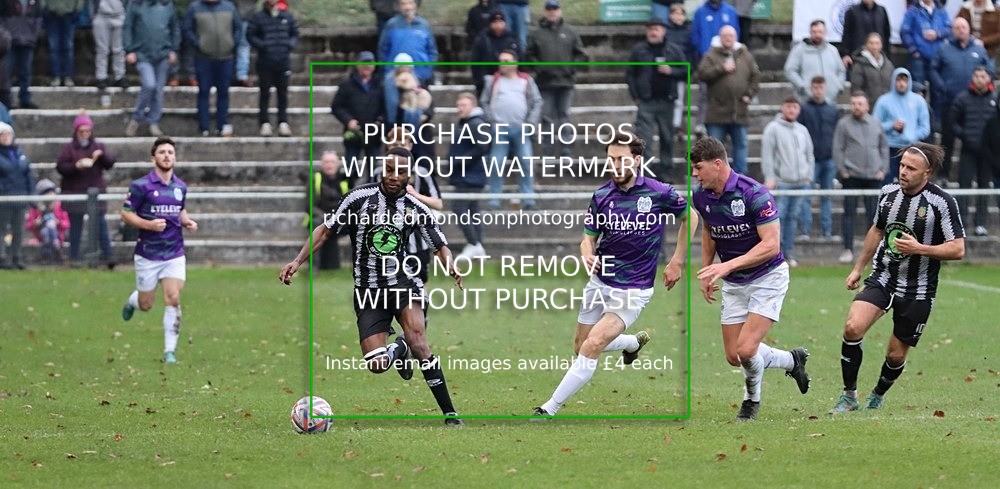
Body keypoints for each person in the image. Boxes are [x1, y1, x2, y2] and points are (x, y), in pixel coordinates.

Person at [279, 147, 465, 427]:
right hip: (368, 291)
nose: (393, 176)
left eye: (400, 172)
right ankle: (398, 350)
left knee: (419, 342)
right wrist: (297, 260)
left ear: (408, 175)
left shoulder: (415, 207)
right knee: (376, 364)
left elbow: (439, 244)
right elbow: (325, 230)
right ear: (382, 169)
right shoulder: (358, 198)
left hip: (404, 283)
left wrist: (450, 265)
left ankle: (450, 415)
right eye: (389, 170)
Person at [533, 130, 696, 417]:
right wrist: (586, 252)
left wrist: (677, 260)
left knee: (593, 345)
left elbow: (691, 216)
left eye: (621, 159)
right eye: (611, 159)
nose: (615, 165)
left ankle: (548, 408)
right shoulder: (601, 195)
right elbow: (588, 238)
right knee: (580, 345)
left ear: (637, 160)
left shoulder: (658, 192)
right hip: (600, 281)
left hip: (633, 289)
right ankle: (633, 343)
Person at [829, 143, 965, 414]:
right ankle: (849, 396)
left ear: (926, 173)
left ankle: (878, 393)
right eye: (902, 165)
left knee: (895, 354)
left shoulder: (942, 202)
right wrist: (858, 268)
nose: (903, 172)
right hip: (883, 276)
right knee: (852, 327)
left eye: (910, 168)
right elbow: (877, 231)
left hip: (919, 288)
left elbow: (958, 248)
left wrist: (921, 249)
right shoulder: (888, 193)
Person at [690, 136, 810, 421]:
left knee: (746, 349)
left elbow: (771, 245)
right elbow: (709, 231)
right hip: (734, 282)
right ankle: (792, 360)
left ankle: (751, 401)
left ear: (717, 164)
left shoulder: (754, 193)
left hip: (767, 277)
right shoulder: (701, 195)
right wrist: (708, 271)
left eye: (698, 167)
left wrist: (726, 266)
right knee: (734, 355)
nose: (695, 174)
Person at [120, 137, 199, 364]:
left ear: (175, 157)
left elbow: (179, 210)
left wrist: (187, 222)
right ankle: (133, 301)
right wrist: (148, 225)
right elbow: (125, 214)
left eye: (170, 152)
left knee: (173, 297)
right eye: (162, 152)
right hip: (148, 253)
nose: (167, 155)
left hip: (174, 252)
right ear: (153, 157)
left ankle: (169, 352)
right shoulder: (140, 186)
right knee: (147, 304)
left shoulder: (180, 187)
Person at [931, 17, 995, 180]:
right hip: (950, 101)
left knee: (978, 138)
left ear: (969, 29)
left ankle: (982, 177)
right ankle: (943, 175)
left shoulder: (979, 49)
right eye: (957, 27)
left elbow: (990, 69)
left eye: (964, 27)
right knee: (947, 140)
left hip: (974, 101)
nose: (961, 30)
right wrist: (942, 86)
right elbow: (933, 69)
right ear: (953, 30)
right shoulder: (944, 48)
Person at [481, 49, 542, 209]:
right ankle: (494, 199)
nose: (503, 64)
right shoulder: (493, 80)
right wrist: (491, 121)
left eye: (507, 61)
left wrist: (530, 123)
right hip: (499, 129)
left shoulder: (526, 80)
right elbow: (484, 101)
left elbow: (537, 101)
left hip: (521, 129)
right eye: (501, 60)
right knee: (496, 163)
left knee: (526, 163)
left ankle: (528, 199)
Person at [55, 110, 117, 267]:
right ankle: (74, 258)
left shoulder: (98, 146)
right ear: (76, 132)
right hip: (75, 192)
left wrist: (101, 156)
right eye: (81, 131)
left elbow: (110, 163)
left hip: (95, 192)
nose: (85, 134)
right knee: (75, 227)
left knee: (101, 226)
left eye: (87, 131)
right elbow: (61, 167)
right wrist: (76, 166)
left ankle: (108, 257)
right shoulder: (68, 149)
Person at [627, 16, 686, 180]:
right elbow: (630, 74)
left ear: (663, 31)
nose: (653, 32)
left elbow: (687, 71)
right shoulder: (638, 50)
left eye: (657, 29)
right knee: (643, 139)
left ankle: (666, 171)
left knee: (667, 137)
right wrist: (635, 96)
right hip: (646, 101)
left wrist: (671, 71)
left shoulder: (674, 50)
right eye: (650, 29)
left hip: (667, 101)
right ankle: (645, 173)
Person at [526, 0, 586, 158]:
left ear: (560, 11)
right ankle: (548, 150)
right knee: (546, 117)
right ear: (545, 12)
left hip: (566, 82)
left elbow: (580, 54)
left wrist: (571, 68)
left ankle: (566, 150)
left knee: (564, 116)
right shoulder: (536, 33)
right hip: (545, 83)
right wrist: (540, 68)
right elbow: (529, 55)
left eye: (555, 8)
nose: (552, 11)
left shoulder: (571, 31)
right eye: (549, 9)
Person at [834, 91, 889, 264]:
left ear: (867, 106)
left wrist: (883, 168)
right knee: (849, 213)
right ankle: (847, 249)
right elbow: (838, 148)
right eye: (853, 103)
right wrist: (842, 170)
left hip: (873, 176)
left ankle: (872, 250)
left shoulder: (875, 124)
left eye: (860, 103)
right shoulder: (844, 124)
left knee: (873, 216)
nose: (856, 107)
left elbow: (884, 147)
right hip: (851, 176)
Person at [696, 25, 758, 176]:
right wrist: (721, 68)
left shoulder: (745, 55)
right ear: (720, 38)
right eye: (725, 36)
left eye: (731, 35)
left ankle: (741, 180)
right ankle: (713, 177)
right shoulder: (711, 55)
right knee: (714, 148)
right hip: (716, 112)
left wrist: (749, 94)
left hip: (739, 111)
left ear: (735, 37)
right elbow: (702, 74)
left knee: (741, 145)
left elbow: (755, 76)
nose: (728, 38)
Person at [761, 97, 813, 268]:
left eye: (795, 107)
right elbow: (767, 155)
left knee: (793, 218)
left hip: (800, 182)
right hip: (782, 183)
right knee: (777, 220)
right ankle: (773, 254)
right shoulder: (773, 129)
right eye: (788, 106)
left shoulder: (803, 130)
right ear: (782, 108)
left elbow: (809, 154)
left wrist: (808, 175)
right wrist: (770, 177)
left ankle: (788, 253)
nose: (791, 110)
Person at [947, 66, 995, 236]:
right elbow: (952, 122)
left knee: (984, 187)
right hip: (968, 150)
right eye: (976, 75)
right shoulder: (962, 98)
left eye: (982, 76)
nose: (979, 79)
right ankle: (962, 221)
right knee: (964, 186)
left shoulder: (995, 100)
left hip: (988, 154)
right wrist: (965, 135)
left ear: (989, 78)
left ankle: (980, 224)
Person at [184, 0, 241, 137]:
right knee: (203, 92)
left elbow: (238, 28)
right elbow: (187, 29)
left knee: (223, 93)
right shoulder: (194, 8)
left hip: (226, 58)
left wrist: (232, 43)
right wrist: (199, 44)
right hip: (203, 59)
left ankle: (221, 125)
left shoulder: (229, 7)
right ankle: (204, 127)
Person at [124, 0, 180, 138]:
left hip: (162, 54)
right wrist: (129, 49)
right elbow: (128, 27)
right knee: (149, 84)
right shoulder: (135, 4)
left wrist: (173, 48)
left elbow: (175, 28)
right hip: (142, 54)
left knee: (158, 91)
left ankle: (153, 121)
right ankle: (136, 118)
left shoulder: (167, 5)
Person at [378, 0, 437, 126]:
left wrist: (428, 70)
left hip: (420, 76)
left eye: (410, 3)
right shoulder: (392, 24)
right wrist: (388, 71)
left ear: (415, 5)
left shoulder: (424, 25)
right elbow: (383, 49)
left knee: (417, 116)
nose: (407, 7)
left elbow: (432, 50)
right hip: (395, 77)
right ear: (399, 6)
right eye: (403, 4)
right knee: (394, 113)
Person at [247, 0, 299, 137]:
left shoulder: (287, 15)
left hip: (283, 61)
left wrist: (288, 45)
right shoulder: (258, 16)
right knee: (265, 93)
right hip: (265, 62)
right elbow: (250, 35)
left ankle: (283, 122)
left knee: (283, 94)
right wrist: (263, 46)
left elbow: (295, 33)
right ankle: (264, 123)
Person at [331, 51, 385, 183]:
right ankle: (348, 198)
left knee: (375, 170)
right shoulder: (347, 84)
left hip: (374, 134)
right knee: (351, 169)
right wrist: (348, 120)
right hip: (353, 134)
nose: (367, 66)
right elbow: (336, 106)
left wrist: (379, 120)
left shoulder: (381, 85)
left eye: (370, 63)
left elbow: (386, 108)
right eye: (364, 63)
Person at [873, 68, 930, 187]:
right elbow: (874, 126)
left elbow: (925, 128)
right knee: (887, 184)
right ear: (893, 81)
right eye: (898, 79)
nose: (901, 83)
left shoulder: (918, 101)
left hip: (911, 149)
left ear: (909, 81)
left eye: (905, 79)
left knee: (911, 184)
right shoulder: (883, 101)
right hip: (889, 149)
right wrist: (891, 125)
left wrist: (912, 136)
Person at [798, 76, 840, 239]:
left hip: (829, 160)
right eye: (815, 87)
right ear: (811, 88)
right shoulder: (804, 109)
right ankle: (805, 231)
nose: (818, 91)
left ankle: (826, 232)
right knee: (806, 197)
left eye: (820, 87)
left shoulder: (833, 110)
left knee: (827, 197)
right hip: (810, 161)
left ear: (825, 88)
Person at [449, 92, 489, 259]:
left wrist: (460, 162)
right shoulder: (468, 123)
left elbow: (483, 146)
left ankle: (474, 243)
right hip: (470, 175)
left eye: (463, 105)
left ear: (472, 105)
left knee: (459, 208)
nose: (460, 108)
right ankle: (477, 245)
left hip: (470, 175)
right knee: (472, 210)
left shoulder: (474, 124)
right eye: (458, 105)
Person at [784, 19, 845, 104]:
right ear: (810, 32)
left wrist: (838, 86)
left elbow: (841, 71)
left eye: (820, 32)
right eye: (814, 32)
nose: (817, 35)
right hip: (806, 101)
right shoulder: (799, 50)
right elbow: (789, 70)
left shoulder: (833, 50)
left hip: (830, 101)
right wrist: (802, 87)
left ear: (825, 32)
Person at [309, 151, 350, 270]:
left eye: (332, 162)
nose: (329, 165)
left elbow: (350, 204)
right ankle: (314, 268)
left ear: (337, 164)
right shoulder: (315, 179)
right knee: (317, 224)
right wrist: (326, 217)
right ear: (322, 164)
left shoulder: (345, 180)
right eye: (326, 162)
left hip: (340, 219)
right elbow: (310, 205)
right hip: (321, 218)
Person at [900, 0, 951, 94]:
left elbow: (949, 29)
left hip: (937, 57)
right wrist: (913, 49)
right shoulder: (913, 10)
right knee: (919, 90)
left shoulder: (941, 10)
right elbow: (904, 32)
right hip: (919, 57)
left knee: (937, 90)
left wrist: (937, 34)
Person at [0, 121, 32, 269]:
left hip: (20, 198)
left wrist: (32, 195)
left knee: (18, 230)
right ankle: (2, 258)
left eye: (8, 134)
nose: (5, 137)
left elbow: (28, 175)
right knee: (2, 229)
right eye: (2, 135)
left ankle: (16, 257)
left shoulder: (20, 154)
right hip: (4, 199)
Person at [1, 0, 43, 108]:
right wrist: (5, 36)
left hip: (28, 41)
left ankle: (25, 98)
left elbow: (38, 18)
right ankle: (8, 99)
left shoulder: (35, 2)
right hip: (10, 41)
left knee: (26, 72)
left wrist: (34, 35)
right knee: (7, 72)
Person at [470, 10, 520, 97]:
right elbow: (475, 61)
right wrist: (478, 81)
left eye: (501, 22)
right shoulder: (482, 39)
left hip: (509, 80)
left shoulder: (512, 38)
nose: (498, 25)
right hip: (488, 80)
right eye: (495, 22)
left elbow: (520, 58)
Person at [665, 3, 694, 140]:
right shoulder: (666, 31)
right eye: (675, 14)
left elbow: (691, 50)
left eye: (681, 14)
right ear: (670, 15)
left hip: (682, 69)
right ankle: (668, 123)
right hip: (667, 70)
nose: (678, 17)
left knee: (679, 100)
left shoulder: (689, 31)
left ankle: (676, 125)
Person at [25, 178, 69, 263]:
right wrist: (35, 223)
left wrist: (58, 222)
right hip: (42, 236)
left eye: (51, 192)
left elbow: (67, 224)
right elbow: (28, 226)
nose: (50, 195)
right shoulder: (35, 209)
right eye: (46, 192)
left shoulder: (59, 207)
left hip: (58, 235)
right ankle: (56, 249)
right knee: (46, 230)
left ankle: (49, 253)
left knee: (51, 226)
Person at [839, 0, 891, 69]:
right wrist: (845, 54)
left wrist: (886, 55)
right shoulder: (852, 11)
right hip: (858, 58)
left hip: (878, 58)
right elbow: (846, 35)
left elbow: (887, 35)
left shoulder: (882, 11)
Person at [850, 33, 894, 110]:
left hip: (887, 108)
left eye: (877, 43)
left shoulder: (888, 65)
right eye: (871, 43)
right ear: (866, 45)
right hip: (869, 108)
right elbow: (856, 88)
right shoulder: (859, 65)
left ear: (881, 45)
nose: (874, 46)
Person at [92, 0, 128, 90]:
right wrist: (93, 15)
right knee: (102, 50)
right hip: (101, 15)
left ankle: (120, 76)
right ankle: (101, 77)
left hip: (119, 15)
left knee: (119, 49)